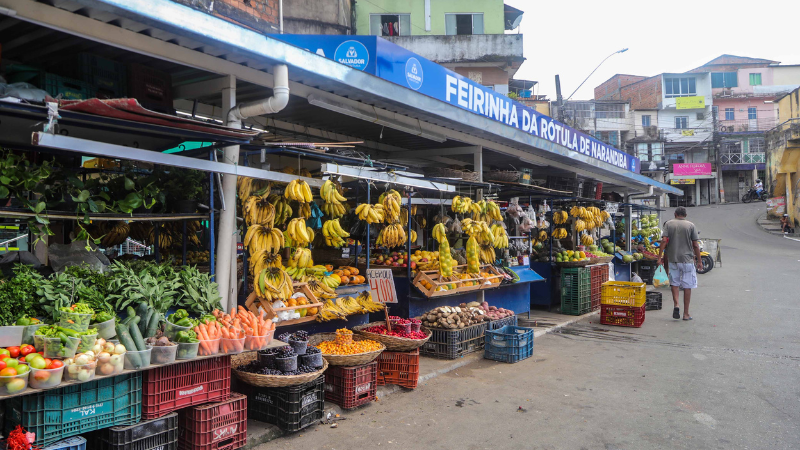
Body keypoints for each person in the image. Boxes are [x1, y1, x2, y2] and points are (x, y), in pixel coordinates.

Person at [658, 207, 702, 321]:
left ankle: (676, 305)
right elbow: (695, 245)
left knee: (675, 283)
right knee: (687, 286)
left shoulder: (668, 224)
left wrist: (660, 257)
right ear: (685, 215)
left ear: (675, 214)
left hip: (673, 260)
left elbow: (663, 241)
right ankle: (686, 314)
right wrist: (700, 261)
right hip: (687, 260)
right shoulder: (691, 225)